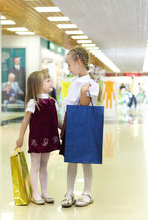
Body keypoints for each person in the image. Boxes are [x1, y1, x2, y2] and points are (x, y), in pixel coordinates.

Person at [59, 47, 100, 208]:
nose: (68, 68)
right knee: (72, 160)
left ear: (78, 62)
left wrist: (84, 91)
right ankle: (69, 191)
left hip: (84, 126)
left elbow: (84, 105)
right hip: (72, 125)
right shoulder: (75, 82)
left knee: (85, 160)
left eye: (69, 65)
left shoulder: (91, 84)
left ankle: (87, 192)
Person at [15, 69, 62, 205]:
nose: (51, 82)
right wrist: (20, 137)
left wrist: (65, 129)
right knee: (35, 166)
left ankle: (45, 192)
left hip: (48, 138)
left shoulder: (52, 102)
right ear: (37, 85)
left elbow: (56, 121)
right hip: (36, 140)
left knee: (44, 166)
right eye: (47, 81)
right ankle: (35, 193)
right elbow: (25, 121)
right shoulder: (33, 102)